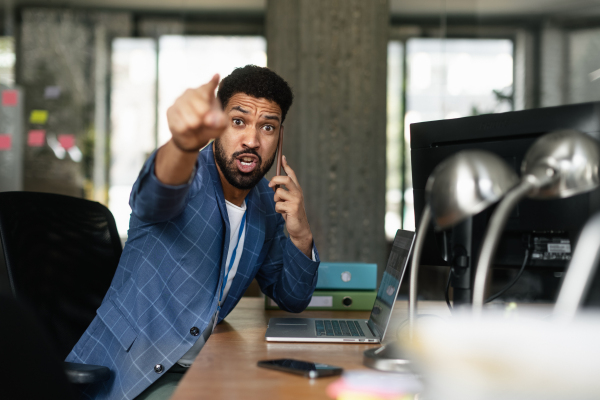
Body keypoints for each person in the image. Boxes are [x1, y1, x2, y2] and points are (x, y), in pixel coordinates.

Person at [66, 65, 319, 400]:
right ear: (216, 123)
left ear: (280, 136)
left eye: (267, 127)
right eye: (238, 121)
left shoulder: (264, 204)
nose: (252, 140)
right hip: (133, 373)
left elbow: (293, 298)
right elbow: (156, 193)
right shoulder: (189, 175)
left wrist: (300, 235)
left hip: (203, 365)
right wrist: (183, 144)